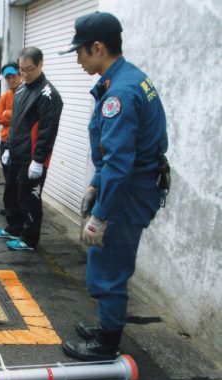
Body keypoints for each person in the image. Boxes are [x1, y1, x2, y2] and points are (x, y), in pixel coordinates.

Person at [58, 12, 169, 361]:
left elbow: (120, 163)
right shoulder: (128, 78)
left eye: (80, 51)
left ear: (98, 47)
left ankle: (106, 345)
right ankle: (107, 325)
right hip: (131, 183)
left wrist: (101, 215)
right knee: (108, 260)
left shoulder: (119, 93)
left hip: (127, 191)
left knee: (108, 264)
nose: (77, 58)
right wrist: (94, 183)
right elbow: (115, 155)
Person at [0, 47, 63, 251]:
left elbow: (47, 132)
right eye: (21, 69)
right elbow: (16, 122)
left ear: (40, 65)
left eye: (29, 69)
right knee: (11, 193)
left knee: (29, 198)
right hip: (16, 152)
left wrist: (39, 160)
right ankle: (13, 228)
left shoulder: (48, 95)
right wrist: (8, 148)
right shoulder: (21, 90)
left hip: (33, 158)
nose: (24, 74)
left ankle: (29, 239)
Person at [0, 62, 22, 194]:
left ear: (20, 74)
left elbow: (24, 118)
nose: (11, 80)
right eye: (8, 78)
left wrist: (8, 113)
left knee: (18, 177)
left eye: (13, 76)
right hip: (5, 141)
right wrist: (13, 115)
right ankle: (9, 206)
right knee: (7, 174)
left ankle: (17, 208)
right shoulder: (5, 96)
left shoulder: (25, 93)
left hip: (20, 143)